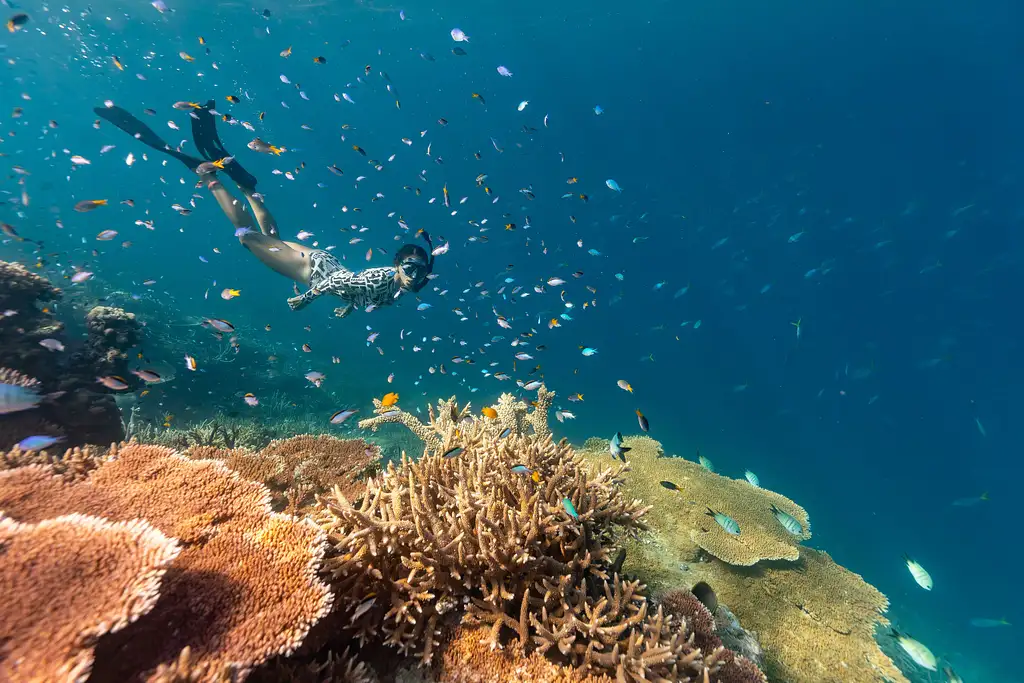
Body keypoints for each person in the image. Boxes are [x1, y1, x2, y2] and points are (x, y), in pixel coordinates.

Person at [94, 101, 434, 317]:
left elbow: (357, 290)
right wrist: (308, 298)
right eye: (410, 267)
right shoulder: (384, 276)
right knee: (246, 237)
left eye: (420, 270)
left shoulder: (396, 287)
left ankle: (246, 187)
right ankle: (211, 177)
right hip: (314, 272)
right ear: (397, 265)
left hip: (319, 262)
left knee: (271, 236)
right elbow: (344, 280)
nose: (415, 275)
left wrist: (347, 307)